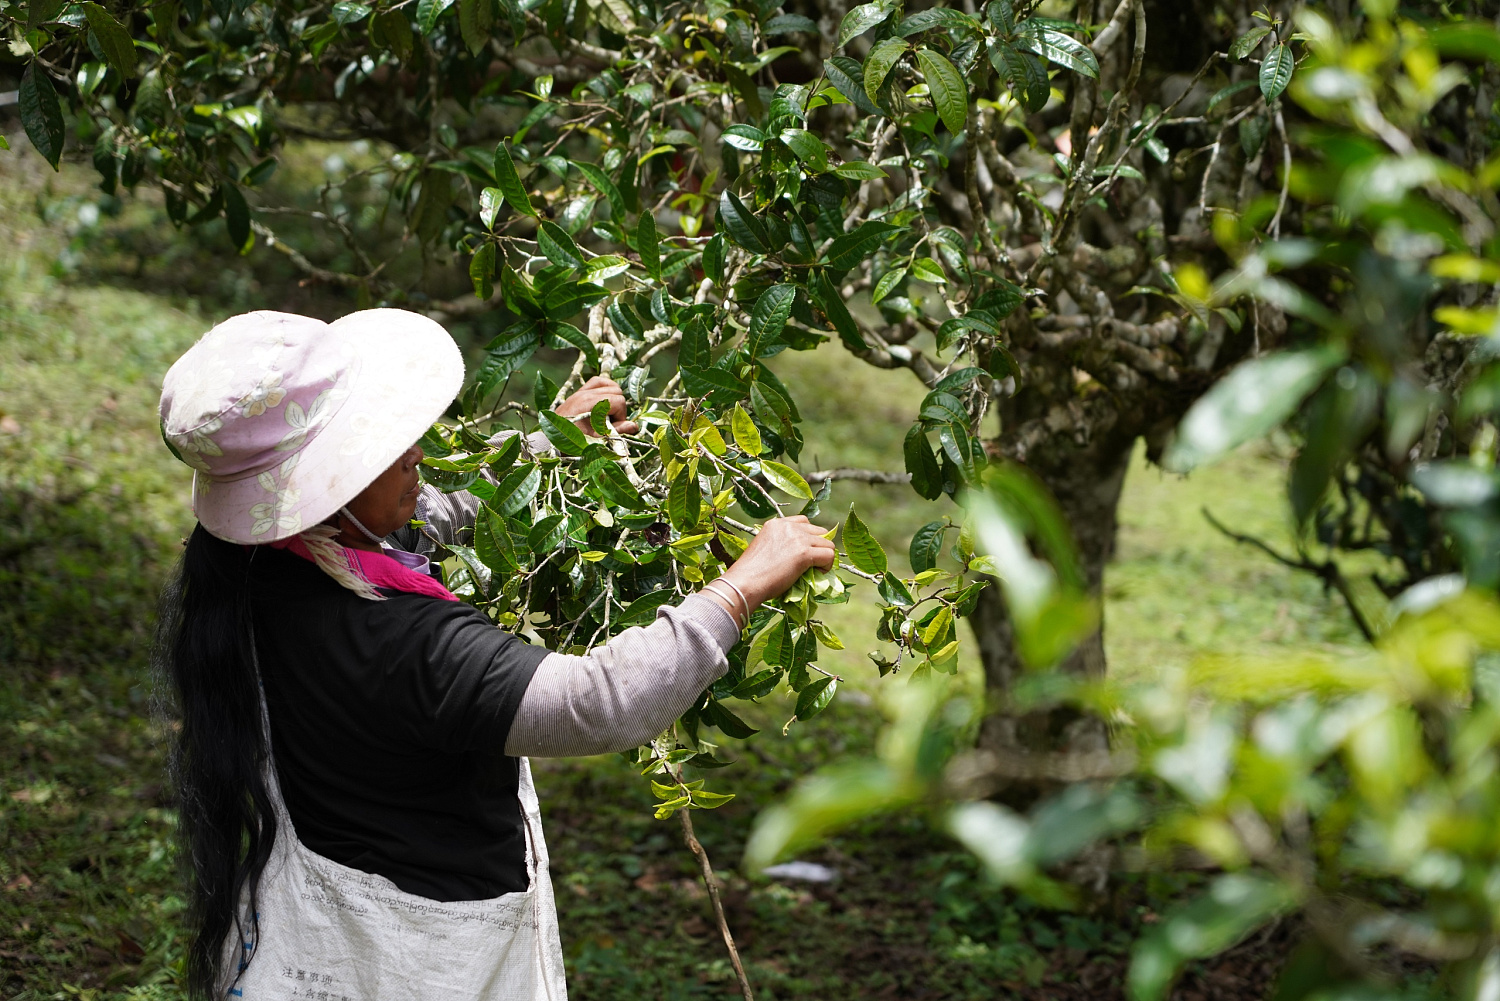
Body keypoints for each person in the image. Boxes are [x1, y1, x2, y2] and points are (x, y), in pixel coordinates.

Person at [155, 308, 834, 1000]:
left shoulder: (254, 566)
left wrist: (548, 448)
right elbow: (596, 701)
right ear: (326, 491)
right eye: (379, 446)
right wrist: (742, 584)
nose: (415, 451)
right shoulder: (404, 642)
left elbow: (425, 520)